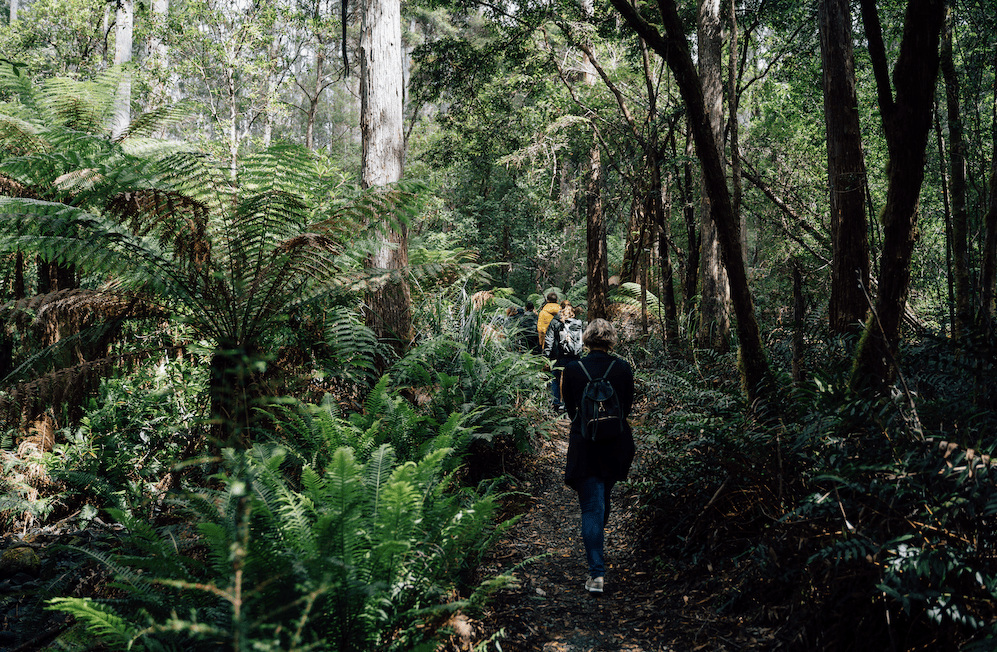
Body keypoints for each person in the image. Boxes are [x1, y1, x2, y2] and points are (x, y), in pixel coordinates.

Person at [560, 319, 635, 594]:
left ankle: (597, 575)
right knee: (601, 500)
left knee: (592, 508)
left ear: (587, 339)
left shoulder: (573, 369)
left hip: (585, 445)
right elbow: (626, 407)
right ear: (611, 339)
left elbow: (571, 410)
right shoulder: (622, 368)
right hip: (616, 444)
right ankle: (596, 557)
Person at [543, 304, 582, 411]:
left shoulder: (555, 322)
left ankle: (556, 403)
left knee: (555, 379)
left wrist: (546, 356)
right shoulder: (577, 323)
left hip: (558, 356)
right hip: (574, 355)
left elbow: (549, 340)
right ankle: (568, 403)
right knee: (570, 380)